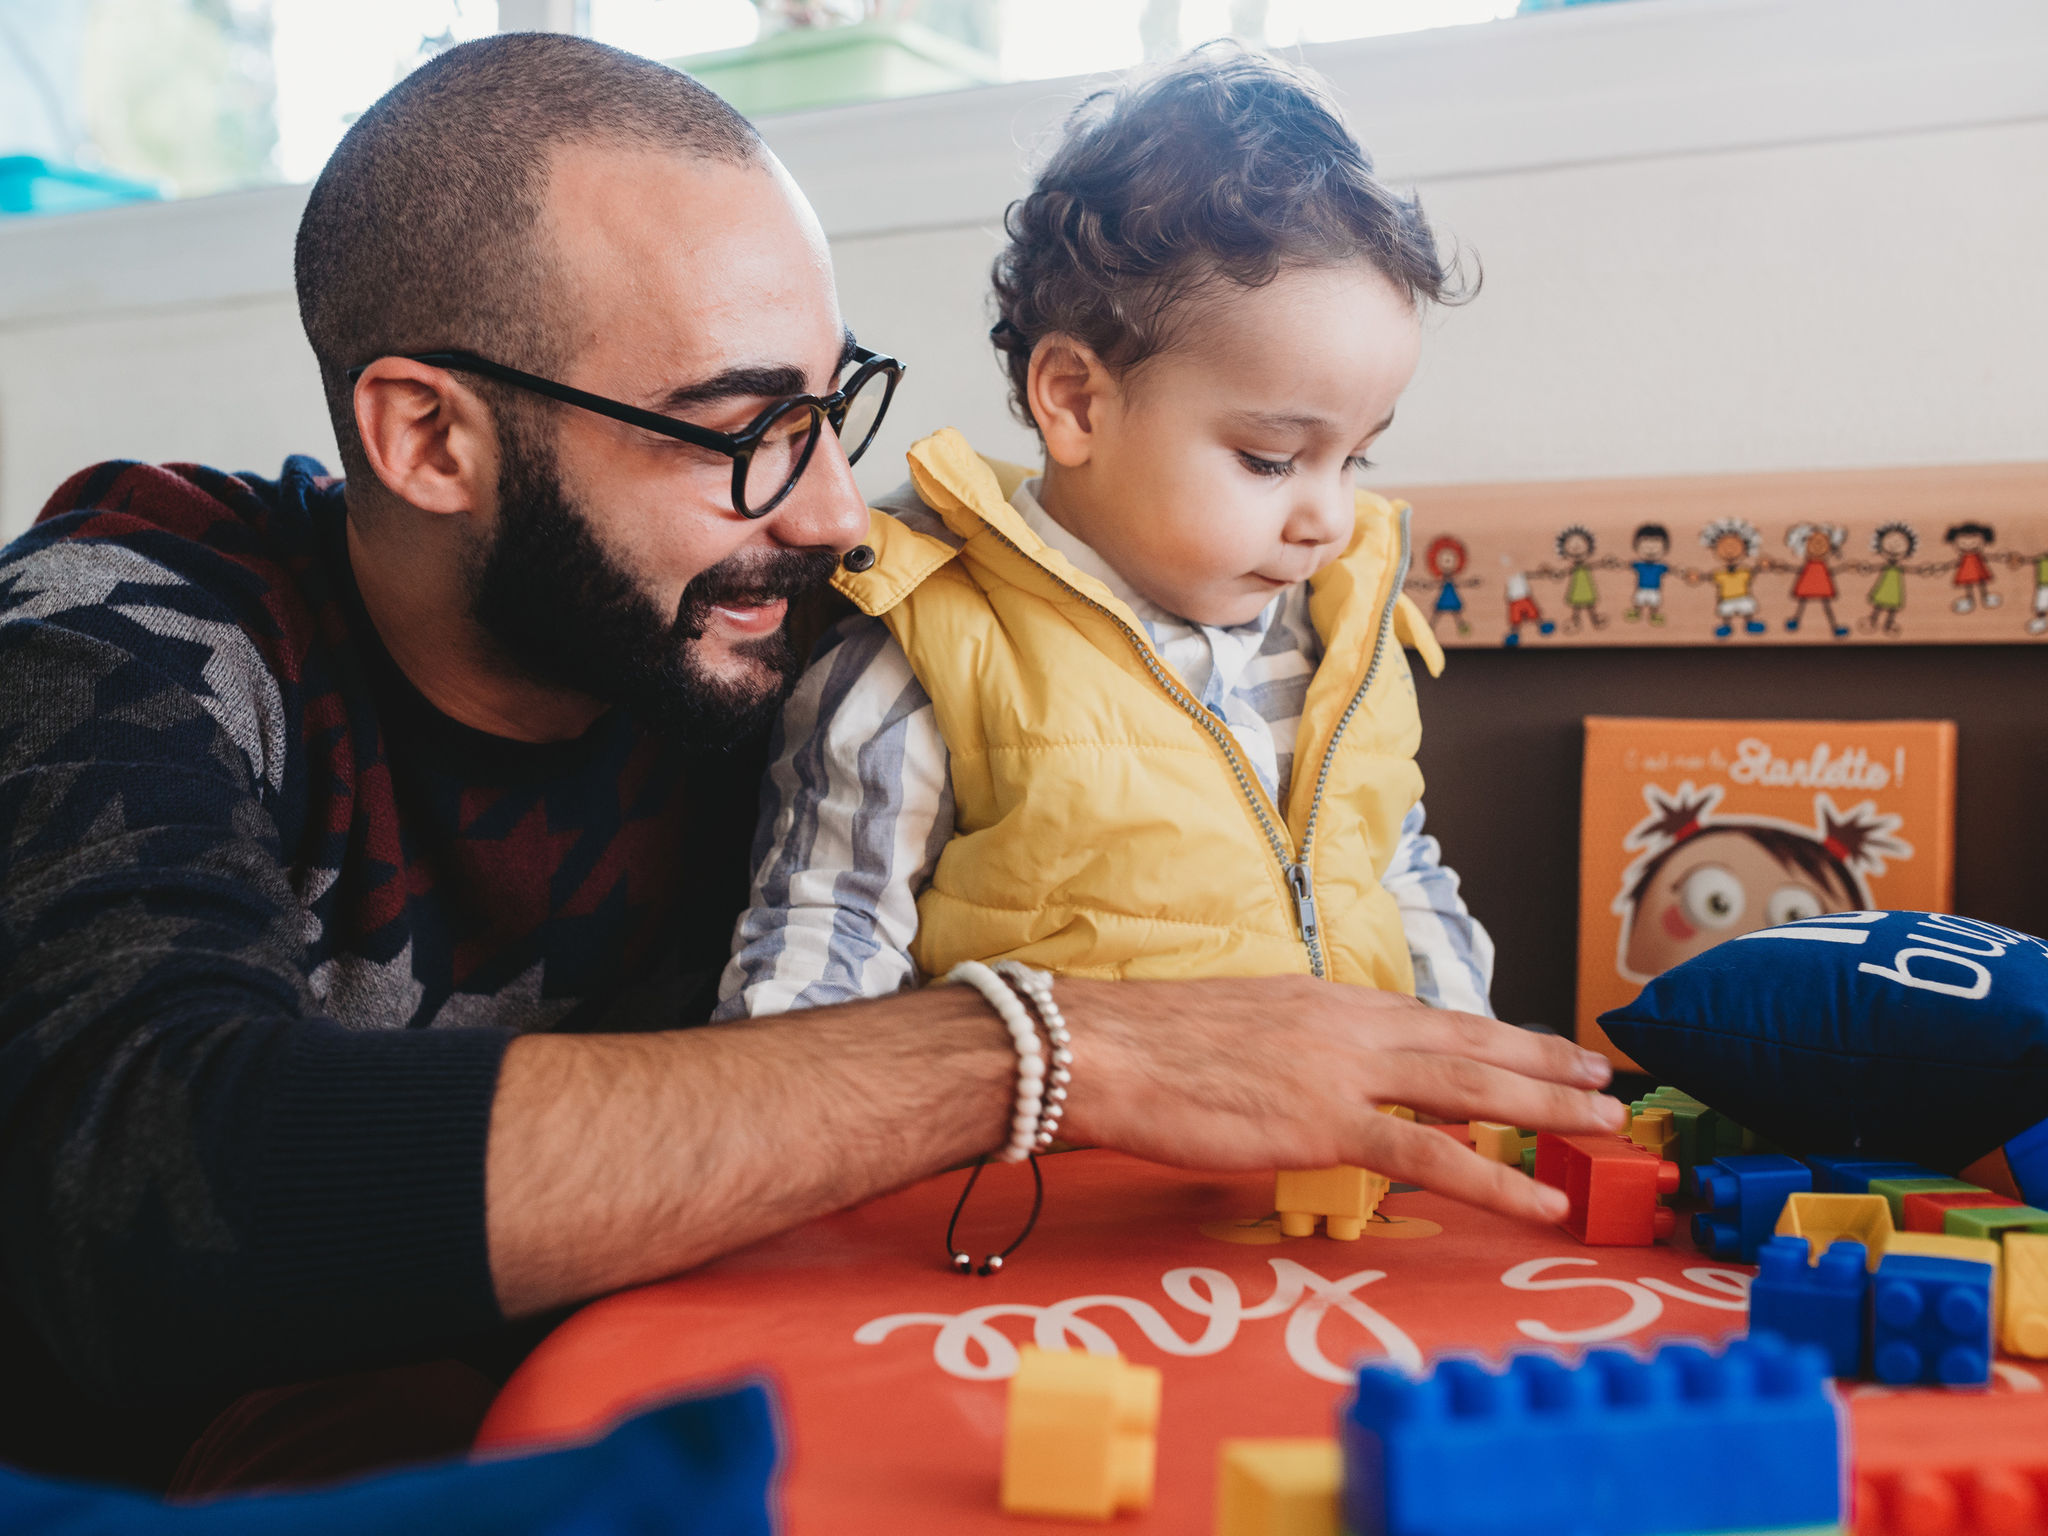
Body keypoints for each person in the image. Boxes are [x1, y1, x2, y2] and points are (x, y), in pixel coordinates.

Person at [0, 34, 1622, 1490]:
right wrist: (1040, 1052)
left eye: (833, 406)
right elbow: (143, 1184)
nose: (838, 513)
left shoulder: (800, 621)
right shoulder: (132, 626)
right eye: (738, 432)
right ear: (430, 439)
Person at [720, 49, 1495, 1027]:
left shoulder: (1336, 635)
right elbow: (819, 956)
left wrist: (1475, 1088)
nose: (1329, 520)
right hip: (1066, 1170)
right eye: (1267, 459)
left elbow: (1400, 875)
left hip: (1349, 1166)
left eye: (1355, 462)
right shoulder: (928, 651)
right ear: (1076, 402)